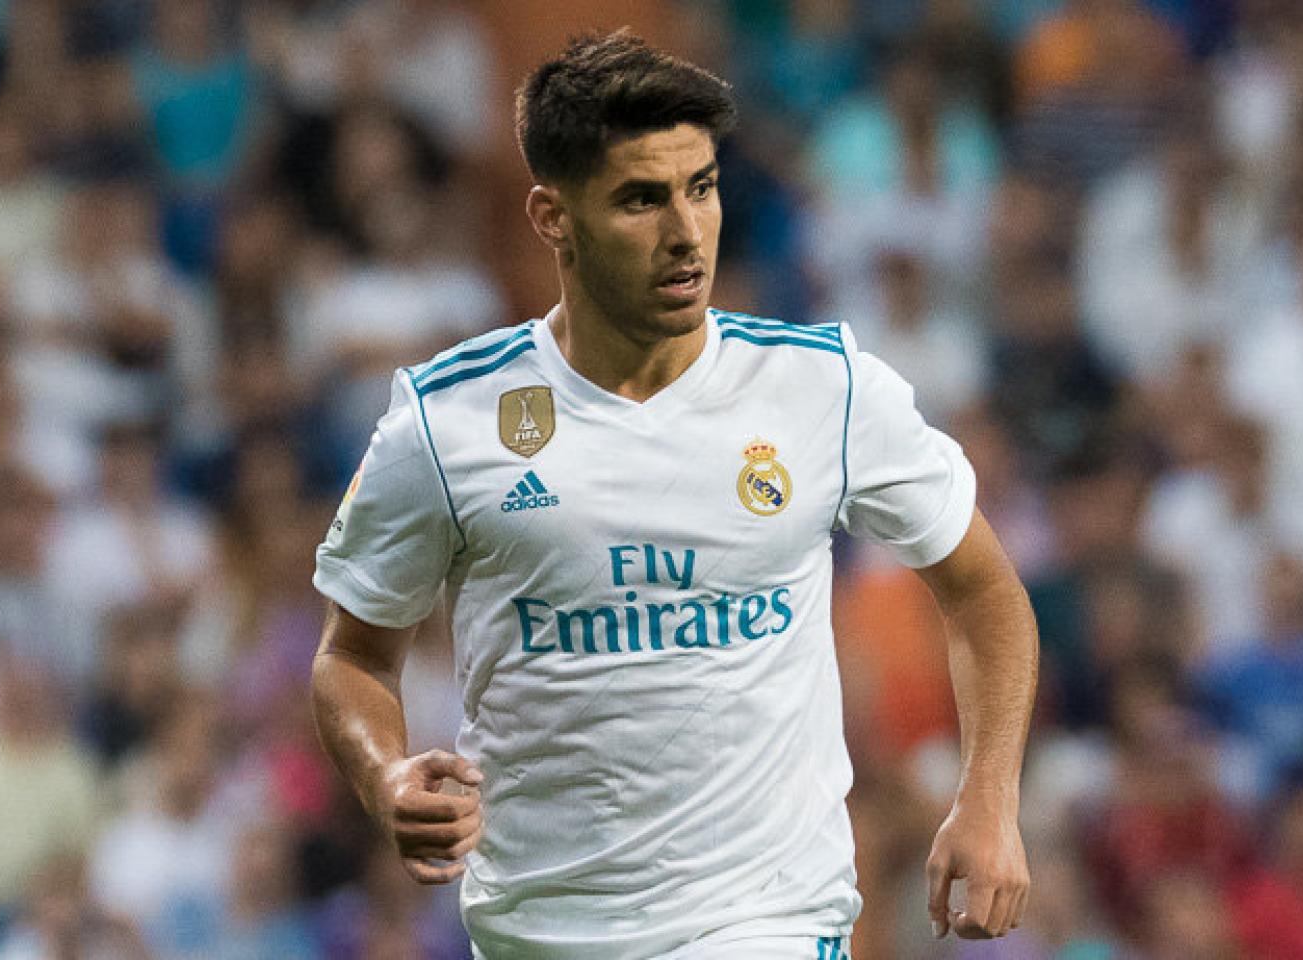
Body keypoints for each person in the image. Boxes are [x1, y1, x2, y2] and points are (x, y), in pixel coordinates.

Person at [311, 32, 1038, 959]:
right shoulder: (445, 422)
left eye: (702, 187)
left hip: (769, 924)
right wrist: (385, 776)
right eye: (641, 199)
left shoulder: (824, 388)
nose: (686, 230)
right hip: (540, 933)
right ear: (551, 216)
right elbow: (353, 656)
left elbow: (983, 590)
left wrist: (988, 798)